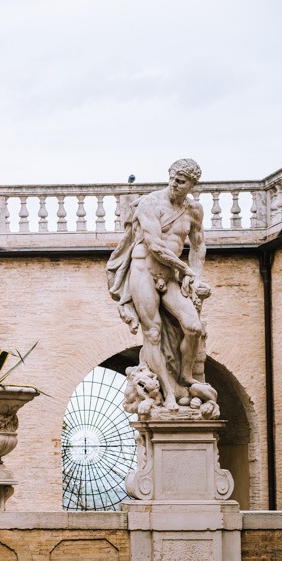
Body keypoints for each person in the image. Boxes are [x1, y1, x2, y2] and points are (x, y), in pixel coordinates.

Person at [107, 158, 218, 416]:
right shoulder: (150, 203)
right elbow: (155, 246)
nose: (174, 185)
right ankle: (168, 393)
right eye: (172, 178)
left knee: (193, 327)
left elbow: (198, 245)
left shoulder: (194, 210)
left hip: (170, 276)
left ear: (191, 185)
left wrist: (196, 277)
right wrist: (185, 270)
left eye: (181, 182)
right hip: (144, 269)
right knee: (153, 333)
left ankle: (186, 376)